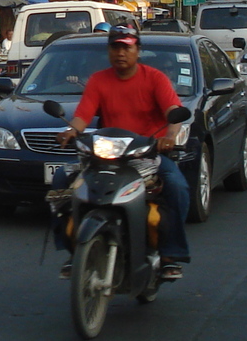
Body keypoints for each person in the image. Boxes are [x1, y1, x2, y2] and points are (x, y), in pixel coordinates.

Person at [62, 26, 192, 278]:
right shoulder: (99, 80)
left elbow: (173, 112)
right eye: (115, 47)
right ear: (109, 51)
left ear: (137, 51)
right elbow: (83, 115)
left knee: (177, 186)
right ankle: (73, 253)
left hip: (148, 154)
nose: (120, 53)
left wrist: (169, 137)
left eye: (126, 47)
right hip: (107, 154)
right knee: (62, 184)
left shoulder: (155, 78)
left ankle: (170, 254)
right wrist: (71, 131)